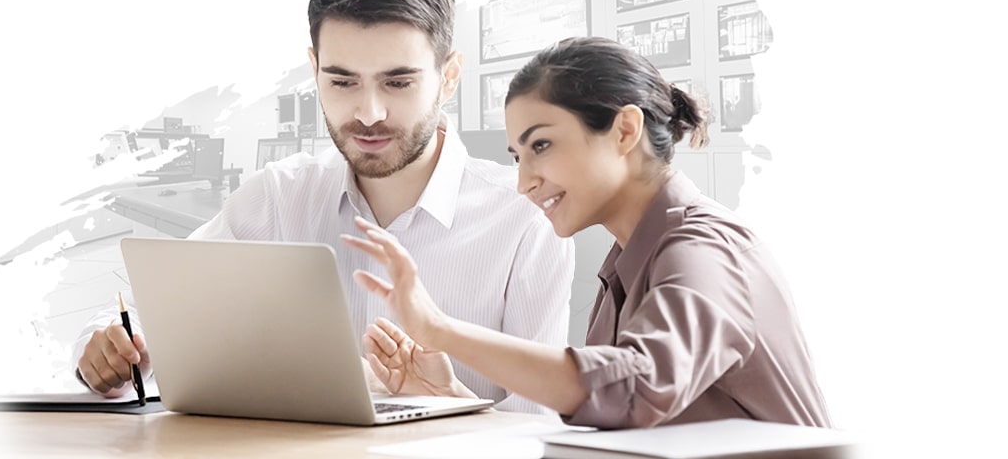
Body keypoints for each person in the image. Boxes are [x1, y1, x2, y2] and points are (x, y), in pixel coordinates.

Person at [71, 0, 575, 415]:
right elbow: (146, 309)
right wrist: (111, 350)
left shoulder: (527, 219)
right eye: (342, 81)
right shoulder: (279, 198)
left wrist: (448, 402)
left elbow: (538, 428)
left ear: (448, 76)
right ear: (314, 71)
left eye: (398, 82)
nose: (369, 113)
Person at [344, 36, 830, 429]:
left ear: (624, 131)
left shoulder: (703, 250)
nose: (524, 181)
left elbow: (632, 391)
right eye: (518, 156)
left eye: (542, 144)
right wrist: (448, 396)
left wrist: (440, 330)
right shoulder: (630, 260)